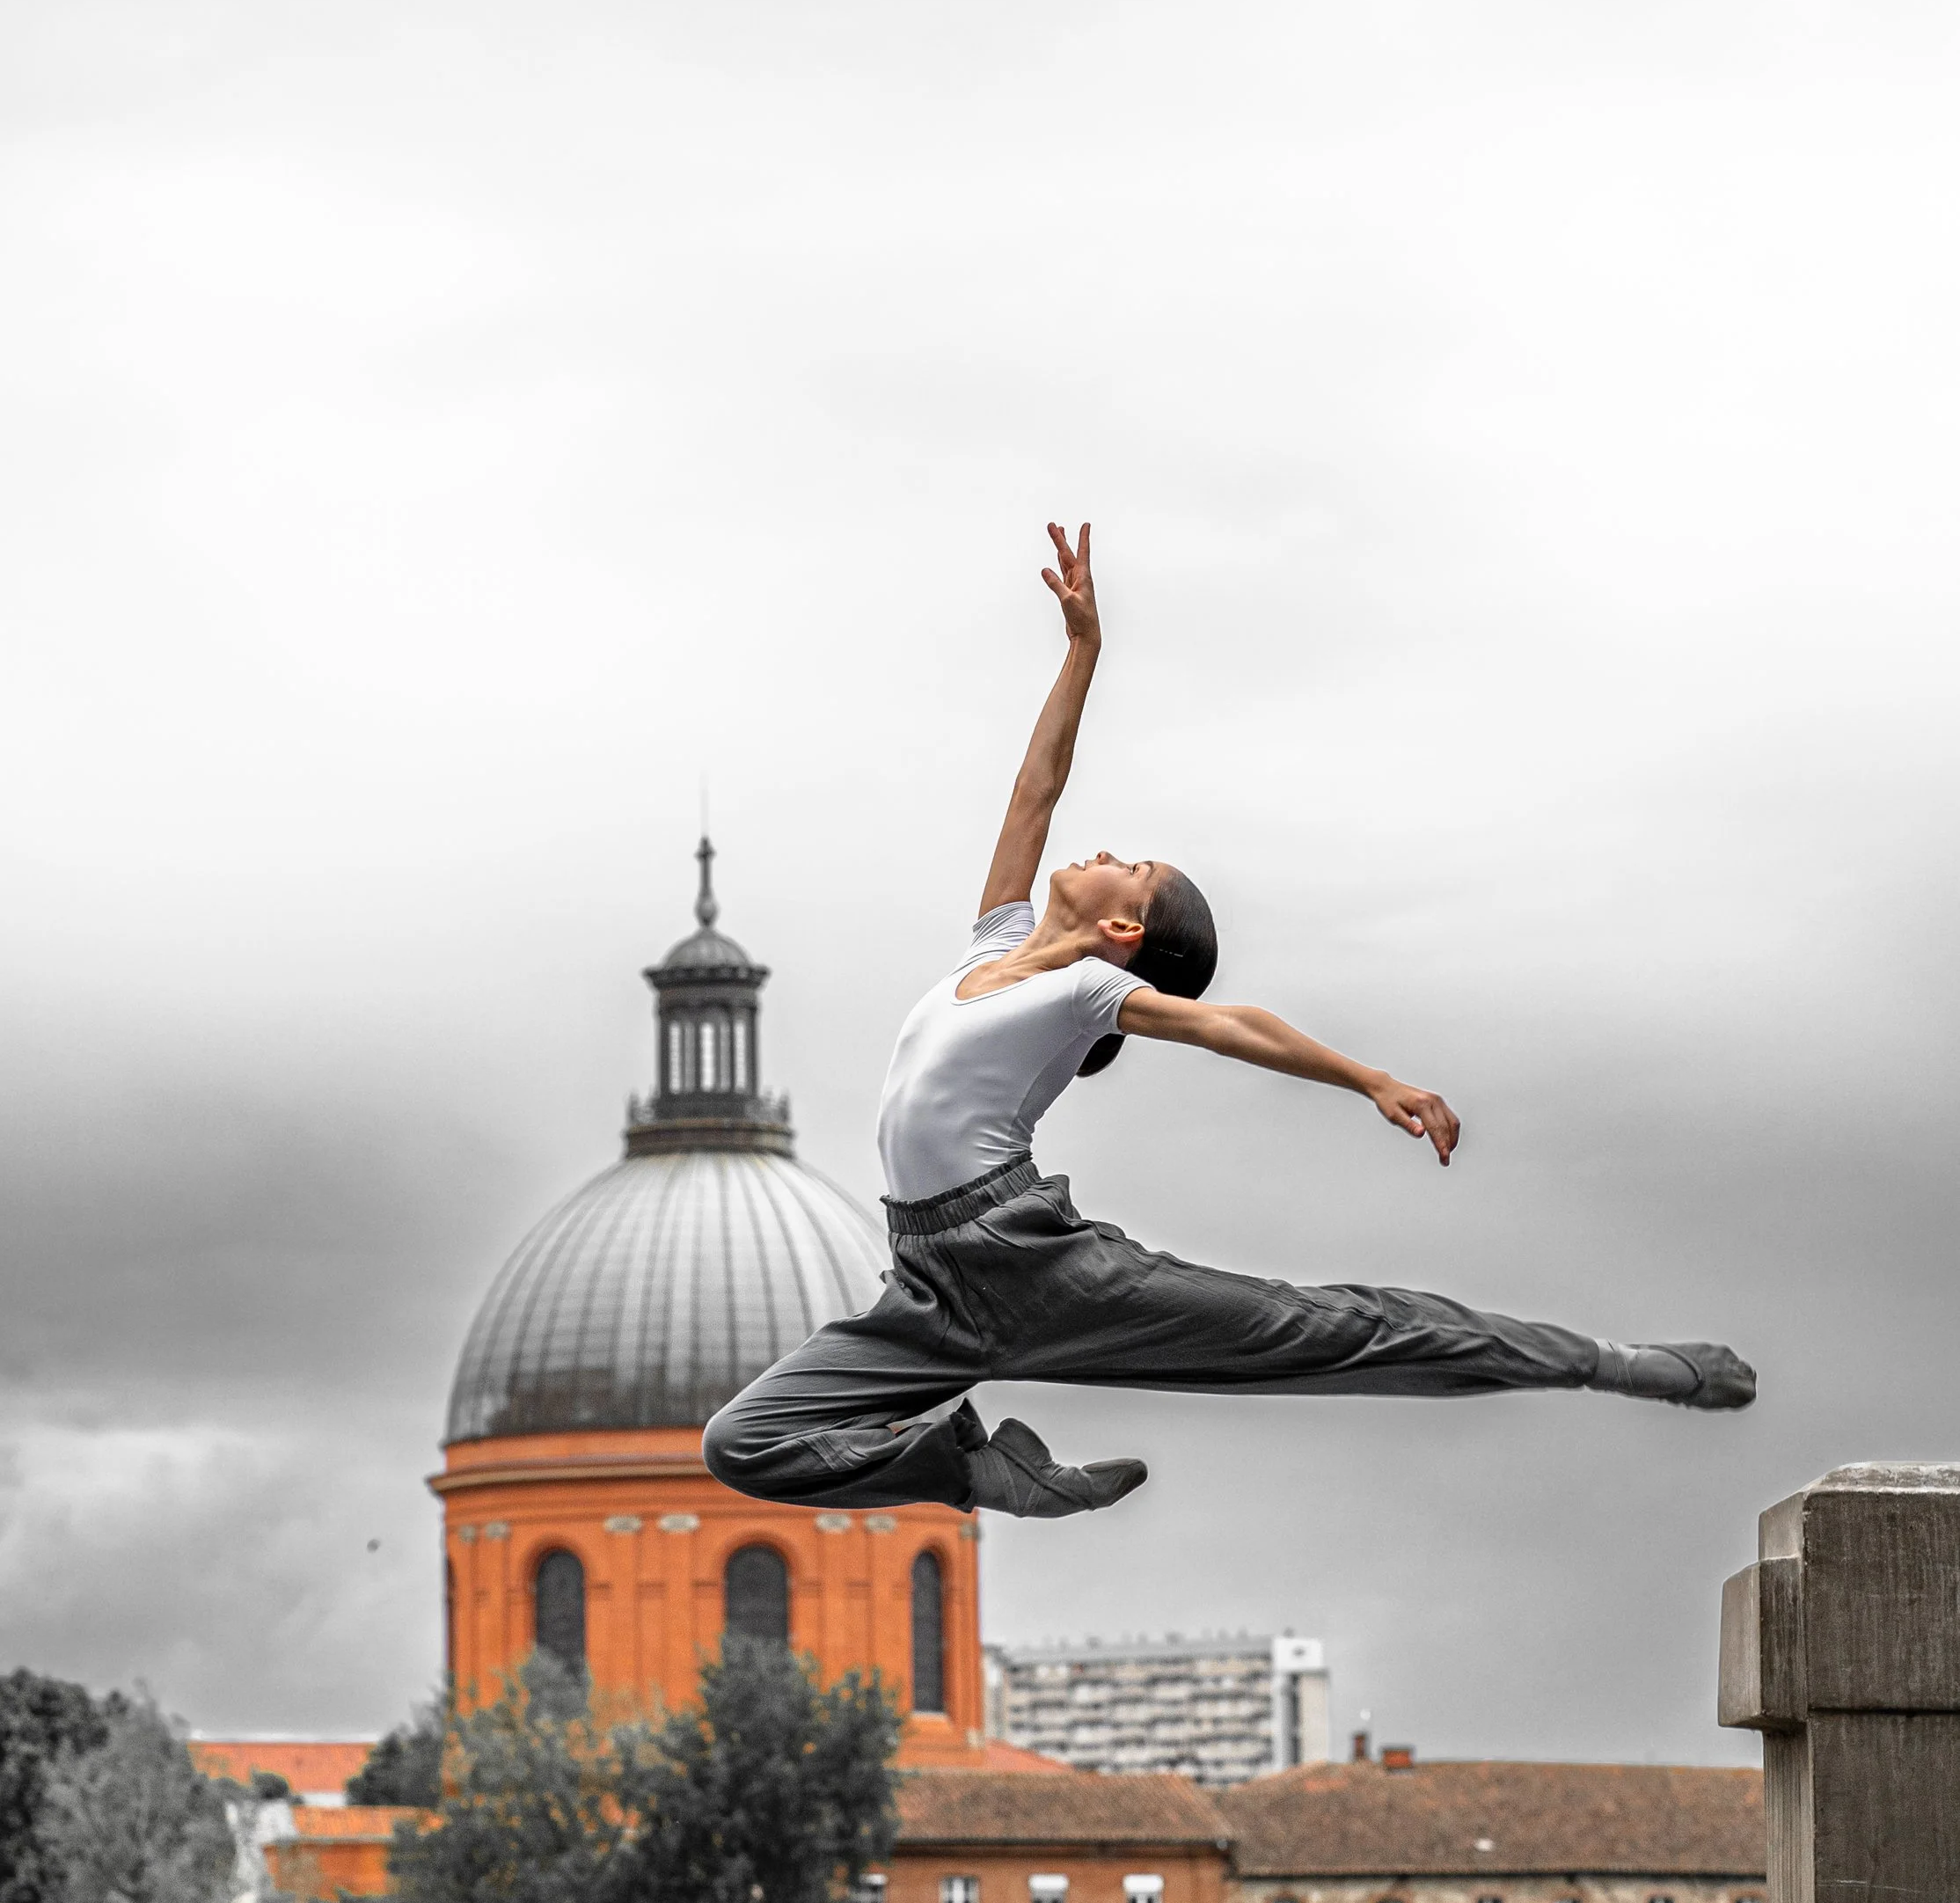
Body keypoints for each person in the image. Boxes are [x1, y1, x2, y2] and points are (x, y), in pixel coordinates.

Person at [703, 523, 1754, 1520]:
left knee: (1334, 1330)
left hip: (1027, 1262)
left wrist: (1371, 1081)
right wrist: (1082, 650)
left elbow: (1229, 1026)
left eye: (1134, 867)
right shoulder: (994, 948)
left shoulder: (1082, 991)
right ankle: (978, 1475)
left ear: (1121, 926)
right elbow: (1036, 791)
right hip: (928, 1285)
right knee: (741, 1444)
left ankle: (1614, 1363)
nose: (1105, 844)